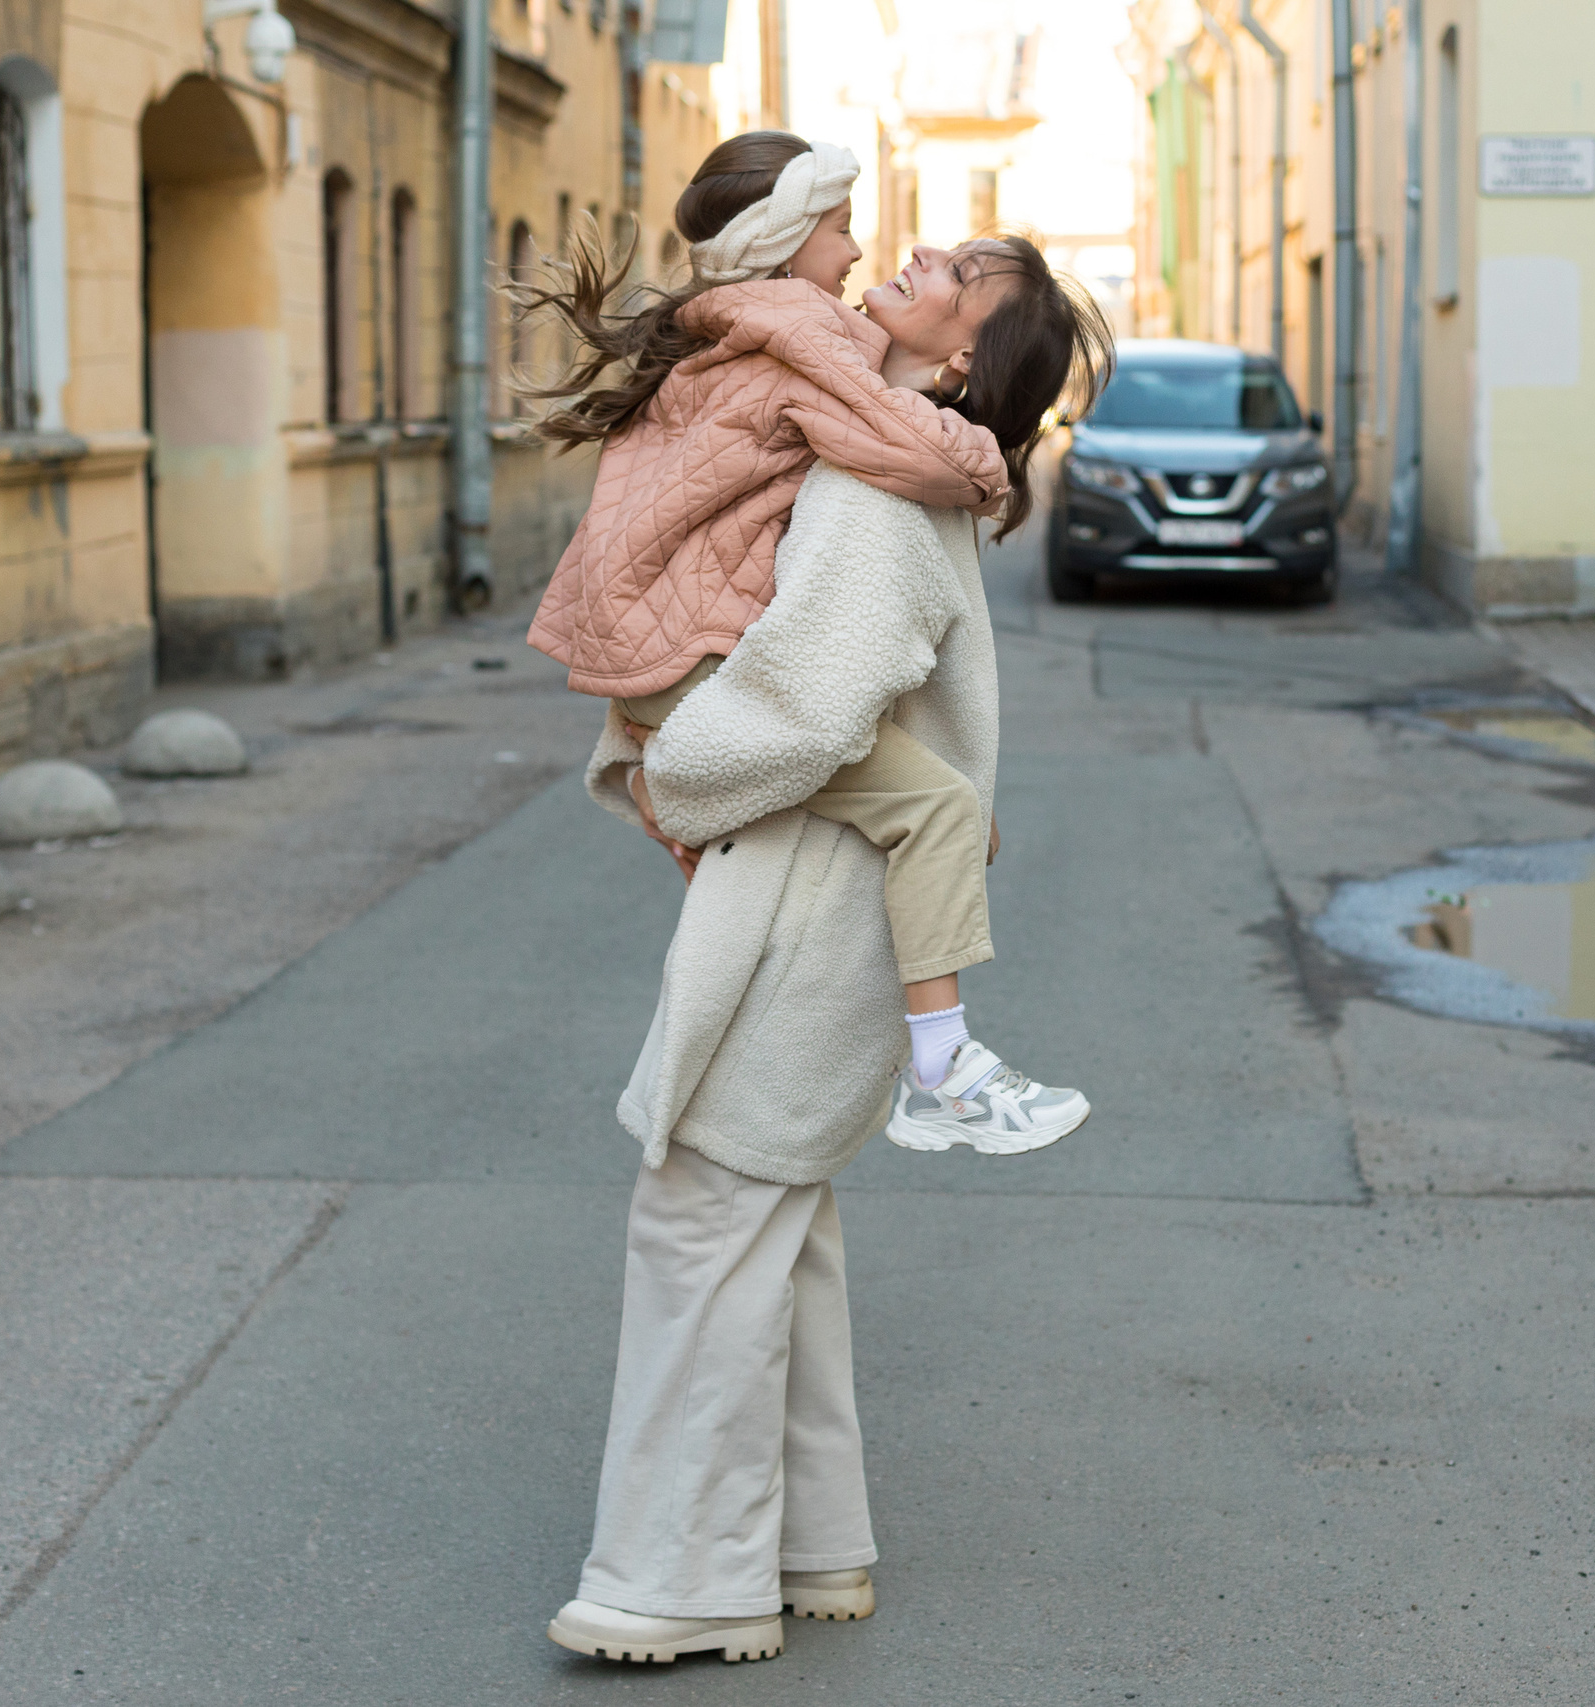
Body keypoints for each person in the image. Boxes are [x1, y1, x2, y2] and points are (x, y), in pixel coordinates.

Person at [540, 230, 1114, 1662]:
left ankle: (680, 1580)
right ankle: (809, 1544)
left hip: (809, 907)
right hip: (831, 900)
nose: (916, 248)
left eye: (957, 267)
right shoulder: (896, 453)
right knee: (775, 1223)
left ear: (965, 353)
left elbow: (806, 708)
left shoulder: (871, 476)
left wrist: (662, 766)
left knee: (706, 1223)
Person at [519, 131, 1088, 1152]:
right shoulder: (810, 345)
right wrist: (990, 467)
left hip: (671, 644)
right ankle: (942, 1065)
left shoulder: (790, 332)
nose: (878, 250)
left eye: (953, 271)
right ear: (788, 240)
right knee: (938, 811)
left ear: (961, 352)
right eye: (839, 230)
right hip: (688, 659)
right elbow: (905, 456)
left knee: (932, 819)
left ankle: (931, 1051)